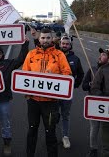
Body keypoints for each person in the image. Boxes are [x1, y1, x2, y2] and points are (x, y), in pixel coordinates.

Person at [22, 28, 72, 157]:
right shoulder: (31, 54)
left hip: (51, 102)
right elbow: (24, 75)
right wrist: (27, 95)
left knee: (50, 131)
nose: (45, 40)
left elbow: (67, 74)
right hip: (33, 101)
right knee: (32, 130)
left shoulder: (59, 55)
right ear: (39, 39)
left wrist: (55, 77)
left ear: (52, 39)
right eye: (43, 38)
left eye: (48, 38)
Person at [82, 48, 109, 157]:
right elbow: (84, 86)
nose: (99, 57)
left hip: (107, 104)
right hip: (93, 103)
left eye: (103, 55)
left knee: (106, 129)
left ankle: (107, 150)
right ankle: (93, 149)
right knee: (94, 127)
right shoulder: (92, 69)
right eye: (100, 55)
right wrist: (90, 84)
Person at [58, 36, 84, 149]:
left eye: (67, 44)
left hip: (67, 93)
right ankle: (51, 136)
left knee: (65, 115)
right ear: (60, 44)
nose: (64, 45)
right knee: (52, 115)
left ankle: (65, 136)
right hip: (52, 92)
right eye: (63, 43)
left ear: (70, 45)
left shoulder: (76, 59)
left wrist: (74, 85)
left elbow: (81, 74)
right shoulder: (54, 56)